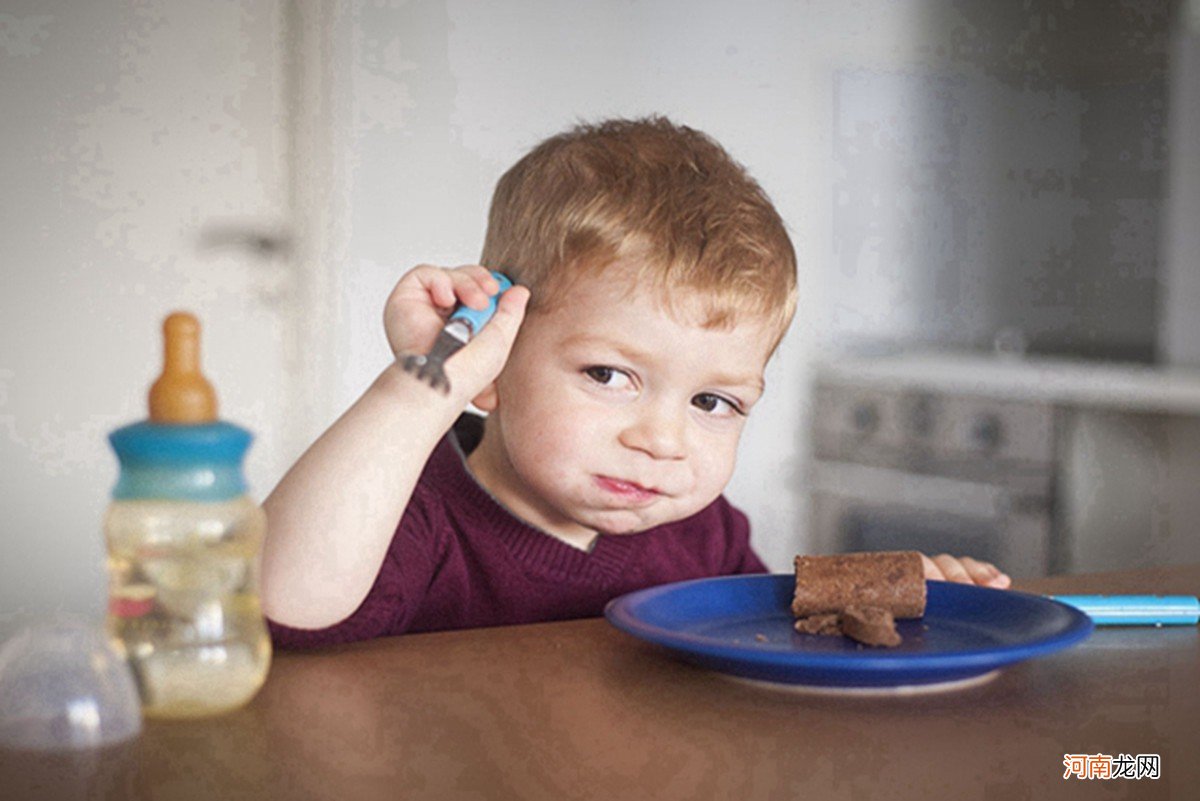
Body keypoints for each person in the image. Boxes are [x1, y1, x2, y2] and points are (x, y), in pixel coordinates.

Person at [261, 117, 1010, 648]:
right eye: (610, 374)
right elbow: (281, 604)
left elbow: (763, 624)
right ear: (495, 364)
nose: (661, 439)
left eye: (713, 401)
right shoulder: (414, 517)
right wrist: (423, 383)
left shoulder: (704, 536)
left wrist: (877, 591)